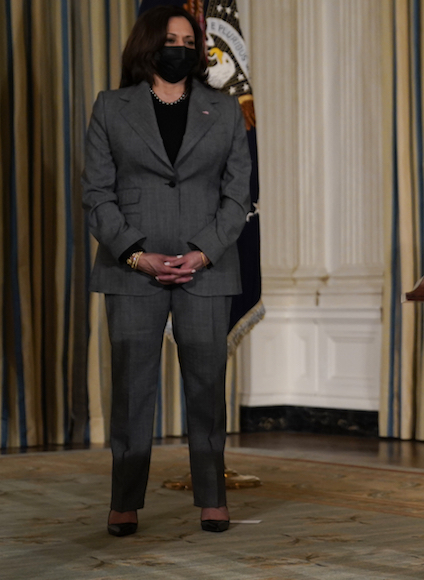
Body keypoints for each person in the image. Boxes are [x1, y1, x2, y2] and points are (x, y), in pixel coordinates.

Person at [82, 5, 251, 536]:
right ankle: (124, 501)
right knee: (132, 389)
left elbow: (238, 194)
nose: (179, 48)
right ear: (148, 45)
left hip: (207, 267)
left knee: (207, 388)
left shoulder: (225, 109)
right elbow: (96, 194)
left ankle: (213, 498)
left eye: (188, 41)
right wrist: (136, 254)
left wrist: (203, 252)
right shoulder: (111, 107)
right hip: (132, 268)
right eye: (170, 40)